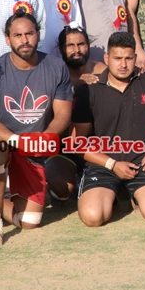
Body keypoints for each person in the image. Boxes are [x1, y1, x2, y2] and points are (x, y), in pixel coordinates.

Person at [0, 11, 72, 245]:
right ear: (7, 39)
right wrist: (15, 140)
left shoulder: (56, 66)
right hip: (5, 144)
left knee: (30, 221)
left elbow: (63, 113)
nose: (24, 40)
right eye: (17, 35)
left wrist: (44, 138)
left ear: (38, 35)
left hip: (36, 146)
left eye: (29, 34)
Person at [74, 32, 145, 226]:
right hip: (104, 163)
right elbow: (77, 143)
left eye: (128, 58)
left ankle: (132, 193)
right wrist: (112, 164)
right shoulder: (90, 89)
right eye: (117, 58)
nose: (123, 64)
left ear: (135, 58)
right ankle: (116, 192)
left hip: (144, 162)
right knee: (93, 217)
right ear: (106, 58)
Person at [48, 25, 103, 202]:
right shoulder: (55, 74)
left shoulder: (103, 70)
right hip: (64, 146)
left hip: (98, 144)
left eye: (81, 44)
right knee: (62, 188)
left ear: (88, 45)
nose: (76, 50)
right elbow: (48, 114)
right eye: (70, 45)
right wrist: (74, 89)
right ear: (61, 49)